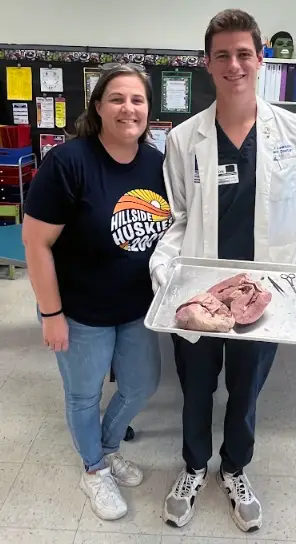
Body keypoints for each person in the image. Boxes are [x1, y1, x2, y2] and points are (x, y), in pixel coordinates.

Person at [150, 8, 296, 534]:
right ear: (207, 63)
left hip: (267, 293)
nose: (234, 64)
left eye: (244, 53)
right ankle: (195, 466)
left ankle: (235, 468)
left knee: (245, 394)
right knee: (196, 390)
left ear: (261, 58)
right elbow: (177, 217)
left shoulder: (293, 130)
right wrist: (163, 261)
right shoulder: (183, 139)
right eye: (222, 55)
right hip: (200, 293)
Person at [22, 64, 172, 521]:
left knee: (142, 383)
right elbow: (36, 241)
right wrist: (51, 315)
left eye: (138, 100)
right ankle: (93, 470)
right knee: (84, 395)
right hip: (80, 310)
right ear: (99, 107)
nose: (129, 108)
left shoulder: (157, 163)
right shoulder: (69, 162)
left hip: (137, 307)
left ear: (149, 109)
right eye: (118, 99)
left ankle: (106, 448)